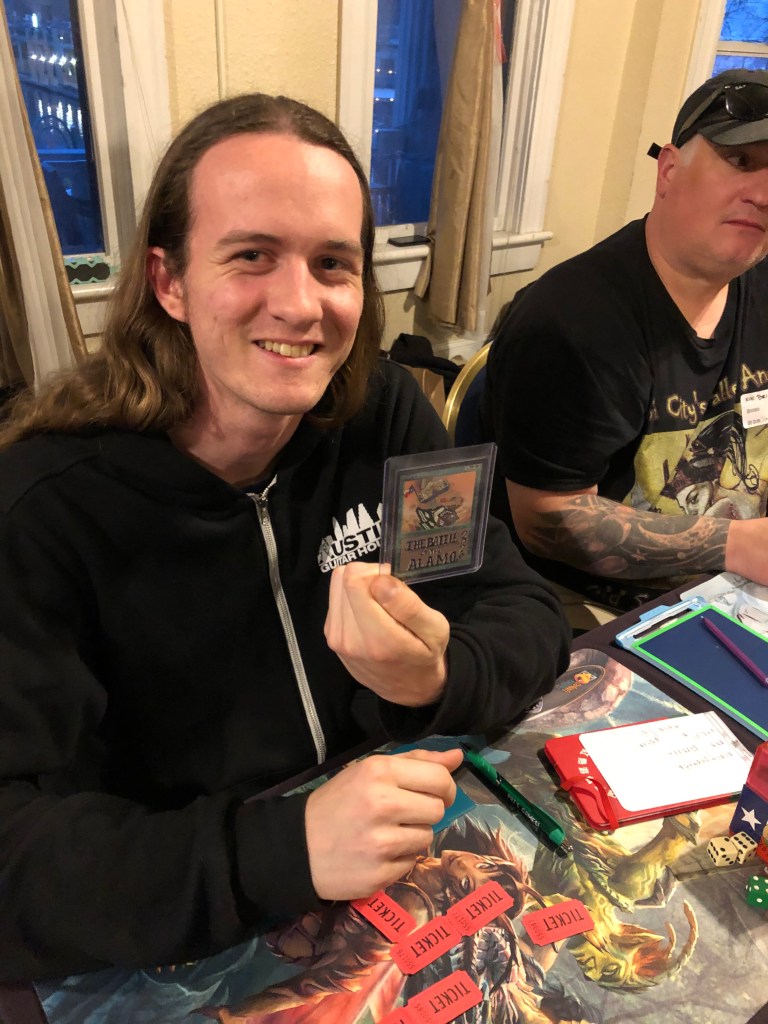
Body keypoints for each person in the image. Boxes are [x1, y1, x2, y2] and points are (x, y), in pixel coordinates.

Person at [0, 93, 569, 983]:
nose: (301, 305)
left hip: (397, 873)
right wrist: (282, 848)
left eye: (333, 263)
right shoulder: (41, 509)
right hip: (184, 924)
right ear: (169, 281)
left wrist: (436, 675)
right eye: (251, 256)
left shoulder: (386, 414)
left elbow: (520, 607)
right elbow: (15, 859)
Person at [483, 68, 768, 615]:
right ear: (669, 169)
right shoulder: (570, 322)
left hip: (736, 590)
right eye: (740, 160)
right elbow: (548, 522)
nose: (761, 193)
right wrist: (738, 545)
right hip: (590, 609)